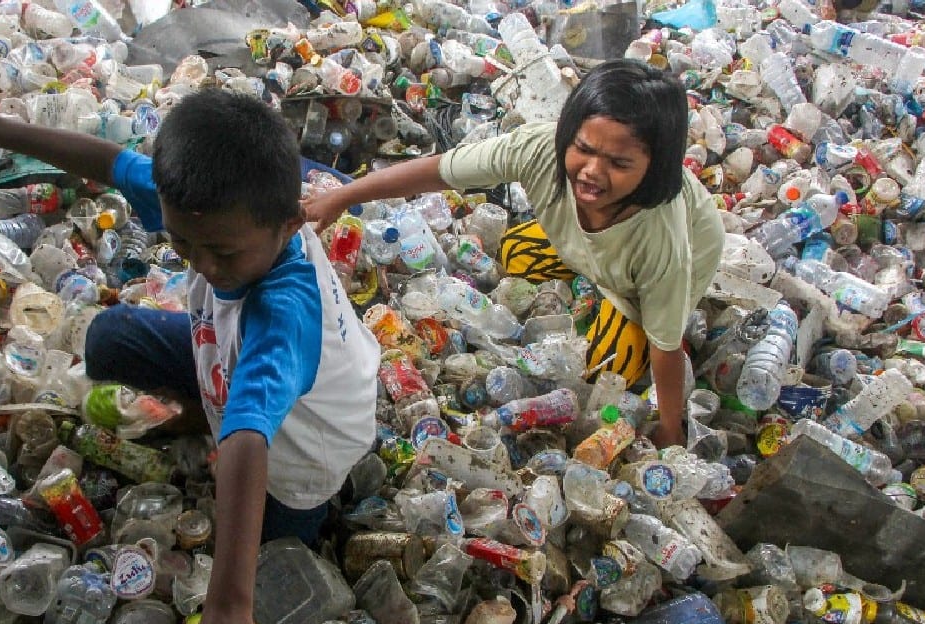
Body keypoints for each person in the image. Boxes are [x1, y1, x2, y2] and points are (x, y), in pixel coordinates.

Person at [0, 78, 380, 624]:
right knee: (112, 335)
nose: (202, 263)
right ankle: (192, 415)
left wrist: (226, 607)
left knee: (274, 569)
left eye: (222, 253)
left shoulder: (285, 308)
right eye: (183, 244)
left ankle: (274, 518)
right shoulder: (210, 202)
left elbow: (248, 432)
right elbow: (105, 161)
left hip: (303, 448)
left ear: (291, 224)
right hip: (224, 366)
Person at [303, 58, 724, 449]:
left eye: (618, 162)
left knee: (608, 372)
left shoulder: (662, 240)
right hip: (595, 251)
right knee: (515, 251)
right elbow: (439, 171)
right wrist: (344, 196)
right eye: (584, 148)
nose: (592, 170)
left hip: (652, 272)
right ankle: (593, 282)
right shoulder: (539, 150)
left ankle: (623, 301)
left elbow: (665, 347)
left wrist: (671, 430)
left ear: (654, 167)